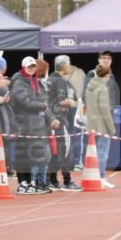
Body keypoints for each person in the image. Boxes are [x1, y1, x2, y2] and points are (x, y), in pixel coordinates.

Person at [11, 57, 51, 195]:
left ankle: (30, 182)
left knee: (30, 155)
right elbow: (25, 102)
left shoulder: (34, 82)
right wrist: (42, 106)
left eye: (33, 67)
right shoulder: (19, 82)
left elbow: (39, 99)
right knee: (22, 154)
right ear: (23, 67)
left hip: (34, 124)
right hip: (22, 123)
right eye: (29, 67)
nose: (32, 69)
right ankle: (23, 182)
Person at [47, 56, 82, 192]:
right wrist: (76, 103)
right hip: (60, 120)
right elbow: (62, 101)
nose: (70, 66)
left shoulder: (50, 79)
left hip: (52, 120)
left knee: (55, 151)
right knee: (66, 150)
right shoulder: (59, 81)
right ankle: (67, 181)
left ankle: (53, 180)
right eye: (68, 64)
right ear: (63, 66)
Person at [85, 64, 117, 188]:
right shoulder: (103, 88)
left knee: (93, 152)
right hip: (102, 125)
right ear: (107, 75)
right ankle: (101, 177)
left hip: (91, 123)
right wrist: (111, 128)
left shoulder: (89, 86)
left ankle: (94, 176)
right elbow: (105, 110)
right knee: (103, 152)